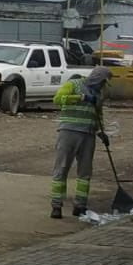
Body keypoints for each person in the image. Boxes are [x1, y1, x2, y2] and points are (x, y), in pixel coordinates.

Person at [51, 66, 112, 218]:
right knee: (62, 168)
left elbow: (98, 114)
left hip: (88, 134)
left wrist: (101, 132)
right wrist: (81, 97)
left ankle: (80, 205)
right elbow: (58, 99)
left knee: (85, 172)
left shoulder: (99, 94)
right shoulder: (74, 84)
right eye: (103, 82)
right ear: (97, 78)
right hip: (68, 132)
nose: (103, 86)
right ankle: (56, 206)